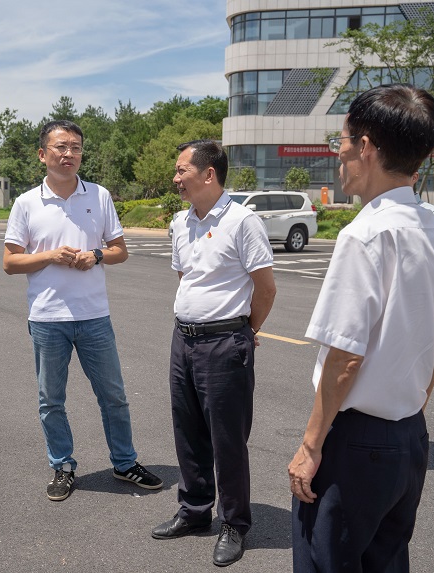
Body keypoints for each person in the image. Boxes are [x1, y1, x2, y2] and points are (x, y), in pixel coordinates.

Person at [289, 84, 434, 572]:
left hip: (355, 442)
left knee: (327, 561)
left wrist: (310, 447)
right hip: (409, 437)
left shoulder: (365, 234)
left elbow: (345, 359)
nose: (337, 152)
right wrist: (415, 401)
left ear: (365, 146)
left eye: (340, 140)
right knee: (385, 561)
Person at [3, 120, 163, 502]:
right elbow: (10, 262)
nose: (68, 153)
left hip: (94, 317)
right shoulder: (27, 203)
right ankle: (62, 466)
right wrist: (50, 256)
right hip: (47, 319)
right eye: (60, 147)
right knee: (51, 400)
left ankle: (124, 463)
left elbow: (120, 250)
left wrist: (95, 255)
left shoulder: (99, 195)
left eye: (75, 147)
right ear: (43, 154)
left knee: (113, 395)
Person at [151, 140, 276, 567]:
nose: (175, 178)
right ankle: (194, 509)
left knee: (227, 440)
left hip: (226, 345)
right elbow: (189, 278)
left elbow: (266, 287)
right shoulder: (180, 222)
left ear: (208, 174)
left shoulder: (243, 222)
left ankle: (234, 523)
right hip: (183, 340)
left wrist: (246, 331)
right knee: (187, 432)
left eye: (181, 169)